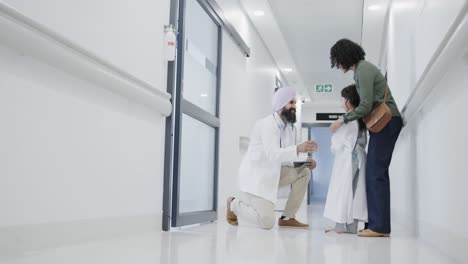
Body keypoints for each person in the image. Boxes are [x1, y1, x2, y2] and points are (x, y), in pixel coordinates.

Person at [329, 39, 402, 237]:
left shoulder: (363, 70)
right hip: (385, 124)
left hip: (387, 122)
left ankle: (379, 227)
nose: (337, 65)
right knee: (375, 173)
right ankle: (375, 225)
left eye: (337, 60)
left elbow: (365, 106)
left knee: (375, 173)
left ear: (345, 56)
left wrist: (342, 120)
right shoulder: (361, 70)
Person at [226, 86, 318, 229]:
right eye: (291, 103)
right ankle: (233, 204)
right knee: (267, 222)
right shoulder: (268, 124)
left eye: (295, 103)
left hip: (274, 173)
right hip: (258, 178)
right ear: (281, 104)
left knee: (304, 172)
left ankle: (288, 217)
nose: (294, 107)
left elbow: (285, 158)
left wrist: (304, 162)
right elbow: (274, 154)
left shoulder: (287, 128)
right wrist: (298, 148)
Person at [324, 84, 367, 234]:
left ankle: (342, 226)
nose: (341, 103)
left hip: (349, 159)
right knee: (353, 191)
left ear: (348, 100)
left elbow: (336, 144)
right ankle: (348, 226)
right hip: (355, 157)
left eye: (342, 99)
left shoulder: (348, 120)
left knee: (345, 191)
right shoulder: (359, 119)